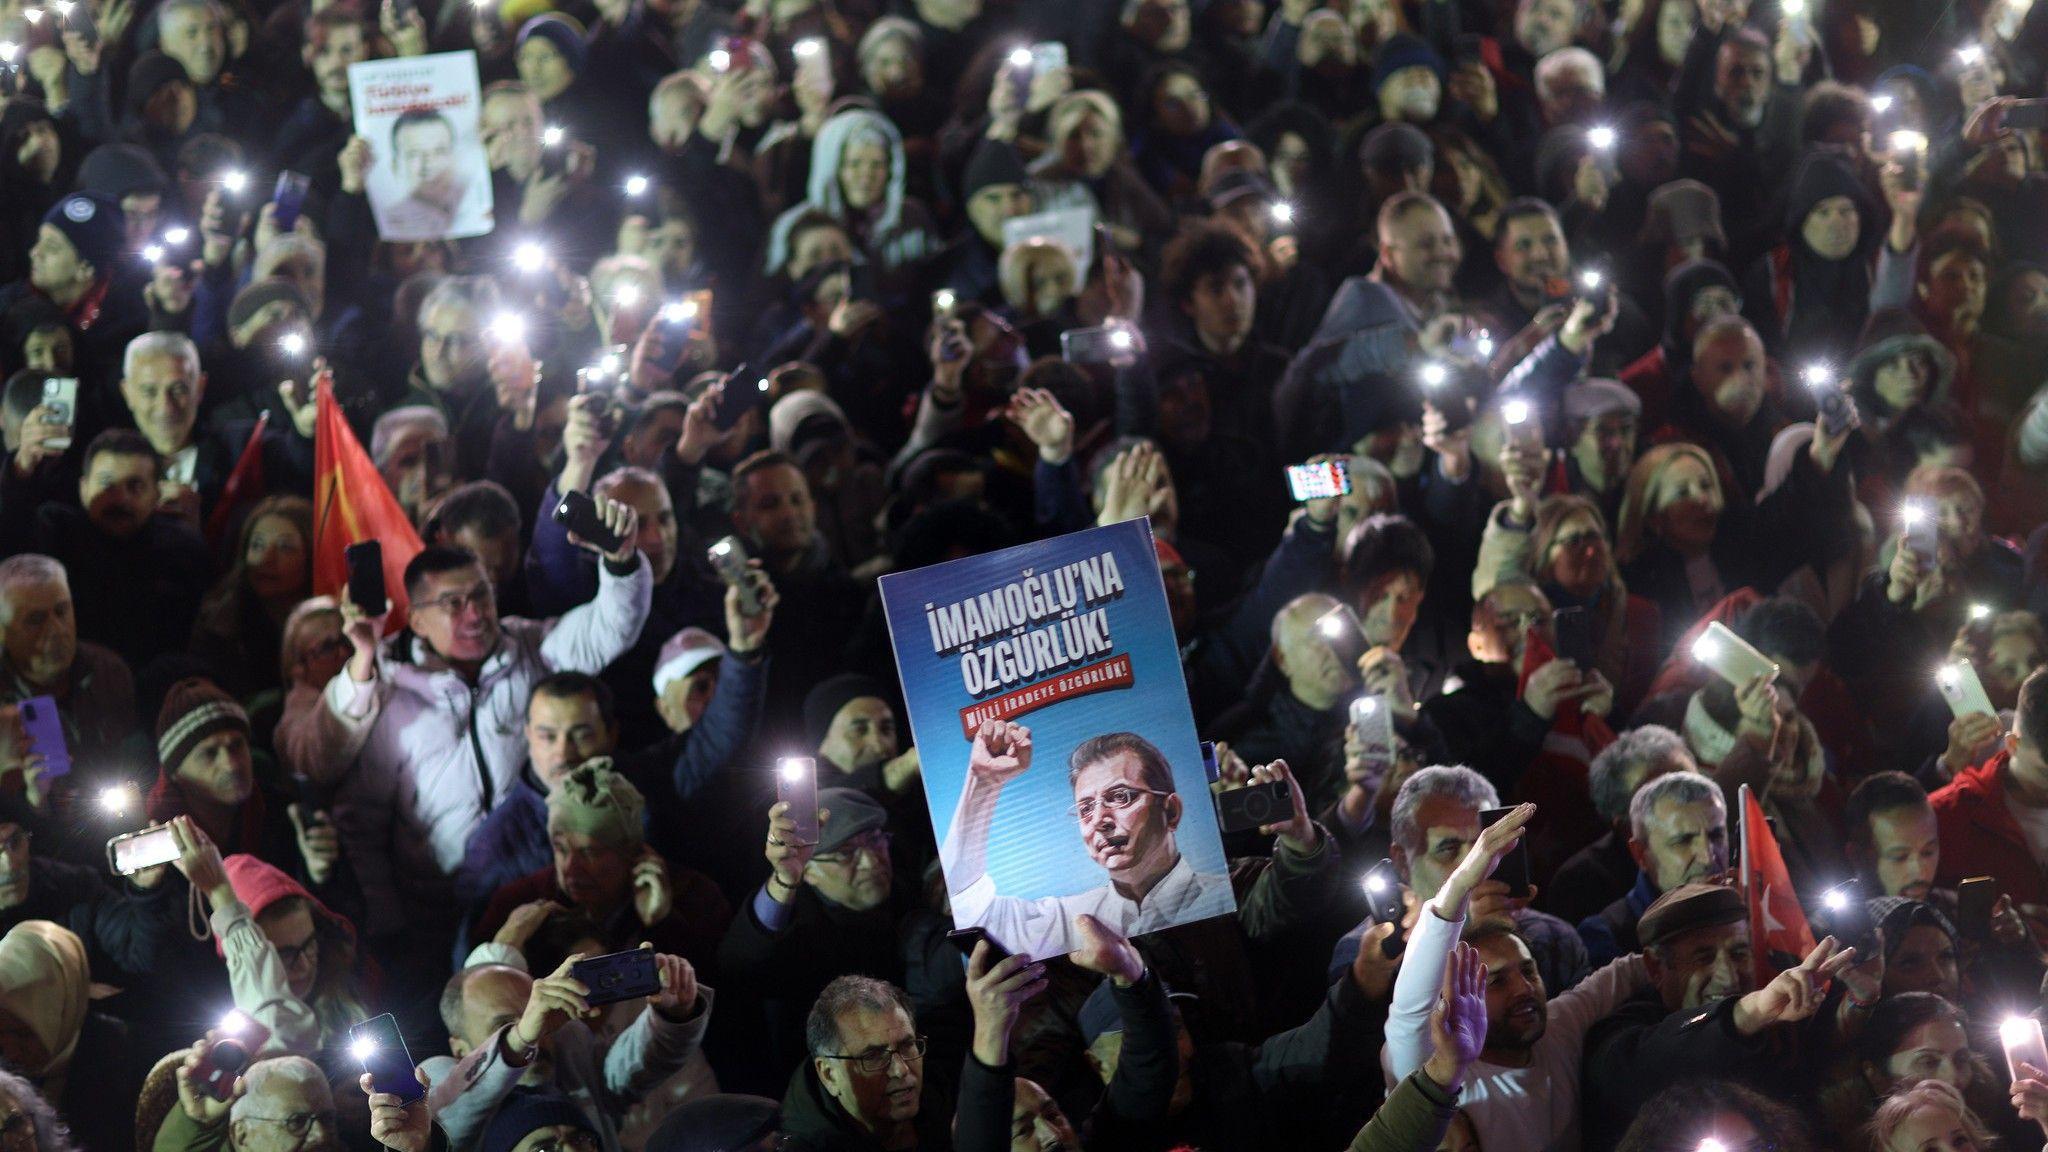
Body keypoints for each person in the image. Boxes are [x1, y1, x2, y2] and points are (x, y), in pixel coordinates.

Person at [315, 522, 651, 946]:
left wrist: (622, 565)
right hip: (432, 916)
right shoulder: (390, 694)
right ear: (417, 620)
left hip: (538, 893)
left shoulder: (532, 651)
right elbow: (362, 820)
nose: (474, 613)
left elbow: (610, 628)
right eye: (452, 603)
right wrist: (387, 923)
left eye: (481, 595)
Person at [1382, 804, 1651, 1152]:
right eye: (1495, 981)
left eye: (1527, 971)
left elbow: (1632, 970)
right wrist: (1460, 885)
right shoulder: (1436, 1074)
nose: (1523, 989)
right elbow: (1411, 1011)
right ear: (1457, 997)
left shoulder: (1558, 1028)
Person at [939, 720, 1235, 959]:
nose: (1099, 820)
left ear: (1171, 811)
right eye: (1085, 808)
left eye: (1120, 797)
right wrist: (984, 781)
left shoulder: (1229, 893)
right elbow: (970, 911)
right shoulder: (1071, 921)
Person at [426, 949, 711, 1152]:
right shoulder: (436, 1079)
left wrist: (673, 1013)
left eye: (533, 1013)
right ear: (460, 1048)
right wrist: (520, 1038)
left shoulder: (568, 1048)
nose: (536, 1030)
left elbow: (632, 1068)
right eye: (504, 1024)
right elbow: (446, 1118)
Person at [1577, 770, 1728, 966]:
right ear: (1640, 853)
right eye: (1683, 841)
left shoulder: (1753, 912)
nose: (1708, 858)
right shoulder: (1607, 937)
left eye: (1716, 836)